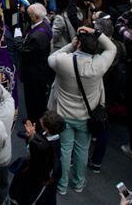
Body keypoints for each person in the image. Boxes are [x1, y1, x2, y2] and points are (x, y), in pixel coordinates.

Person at [47, 26, 117, 196]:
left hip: (63, 114)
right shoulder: (99, 65)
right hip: (86, 116)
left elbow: (51, 58)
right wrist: (96, 32)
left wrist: (70, 45)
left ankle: (61, 185)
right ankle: (78, 182)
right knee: (82, 150)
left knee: (64, 150)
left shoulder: (64, 61)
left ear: (78, 45)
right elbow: (112, 48)